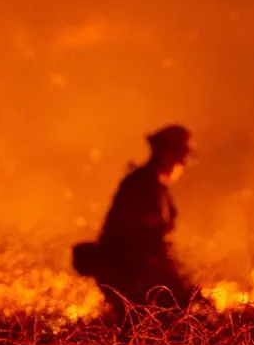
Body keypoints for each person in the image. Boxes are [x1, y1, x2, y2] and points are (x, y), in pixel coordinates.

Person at [74, 124, 197, 318]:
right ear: (166, 155)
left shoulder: (154, 187)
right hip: (128, 275)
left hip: (133, 272)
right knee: (169, 317)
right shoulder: (142, 186)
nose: (181, 164)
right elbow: (140, 241)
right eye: (180, 158)